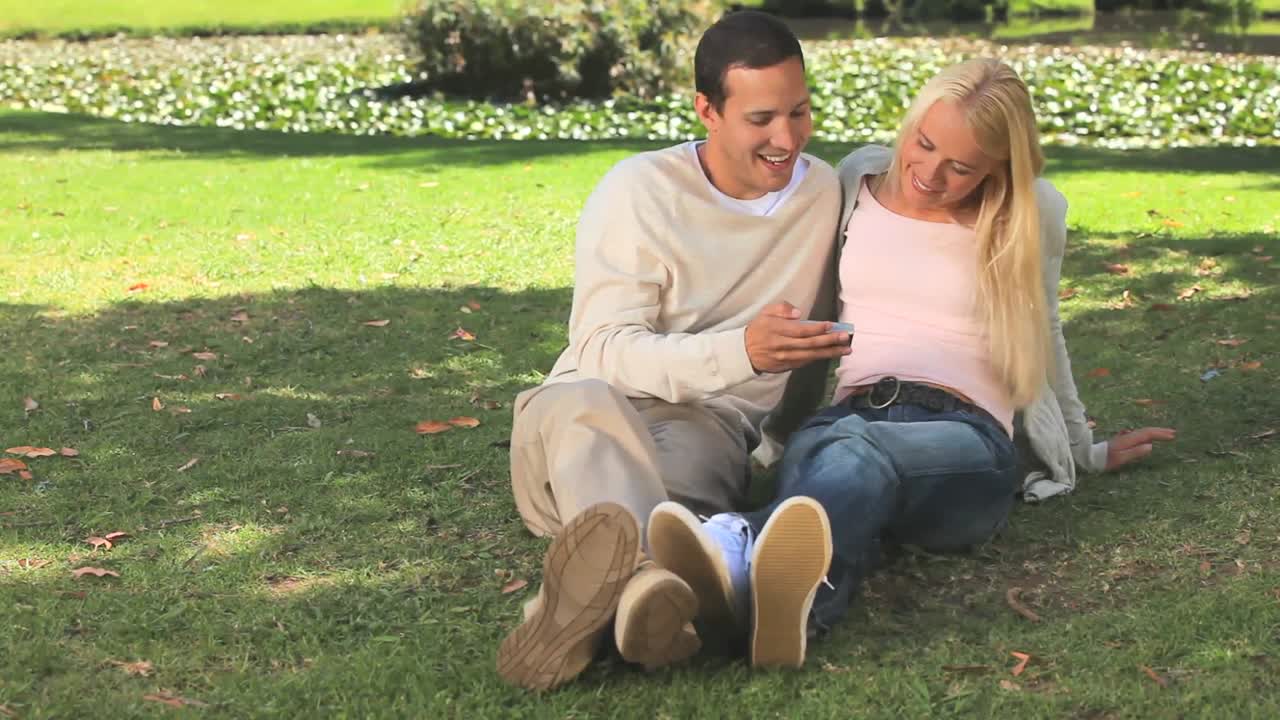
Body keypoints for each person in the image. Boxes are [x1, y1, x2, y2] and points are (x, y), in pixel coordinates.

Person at [647, 58, 1177, 666]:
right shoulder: (857, 181)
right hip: (847, 417)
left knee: (853, 455)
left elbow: (1045, 330)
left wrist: (1083, 449)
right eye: (924, 144)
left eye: (961, 166)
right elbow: (817, 318)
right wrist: (776, 434)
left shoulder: (1030, 213)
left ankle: (733, 545)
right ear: (911, 125)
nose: (930, 172)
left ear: (998, 168)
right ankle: (773, 610)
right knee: (843, 455)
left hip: (966, 441)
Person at [496, 11, 851, 691]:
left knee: (670, 506)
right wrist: (740, 353)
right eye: (762, 119)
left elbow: (824, 337)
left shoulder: (820, 194)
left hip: (703, 428)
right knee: (585, 405)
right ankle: (638, 590)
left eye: (800, 112)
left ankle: (615, 597)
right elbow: (600, 350)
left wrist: (780, 439)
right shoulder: (639, 190)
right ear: (707, 111)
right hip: (582, 416)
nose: (787, 138)